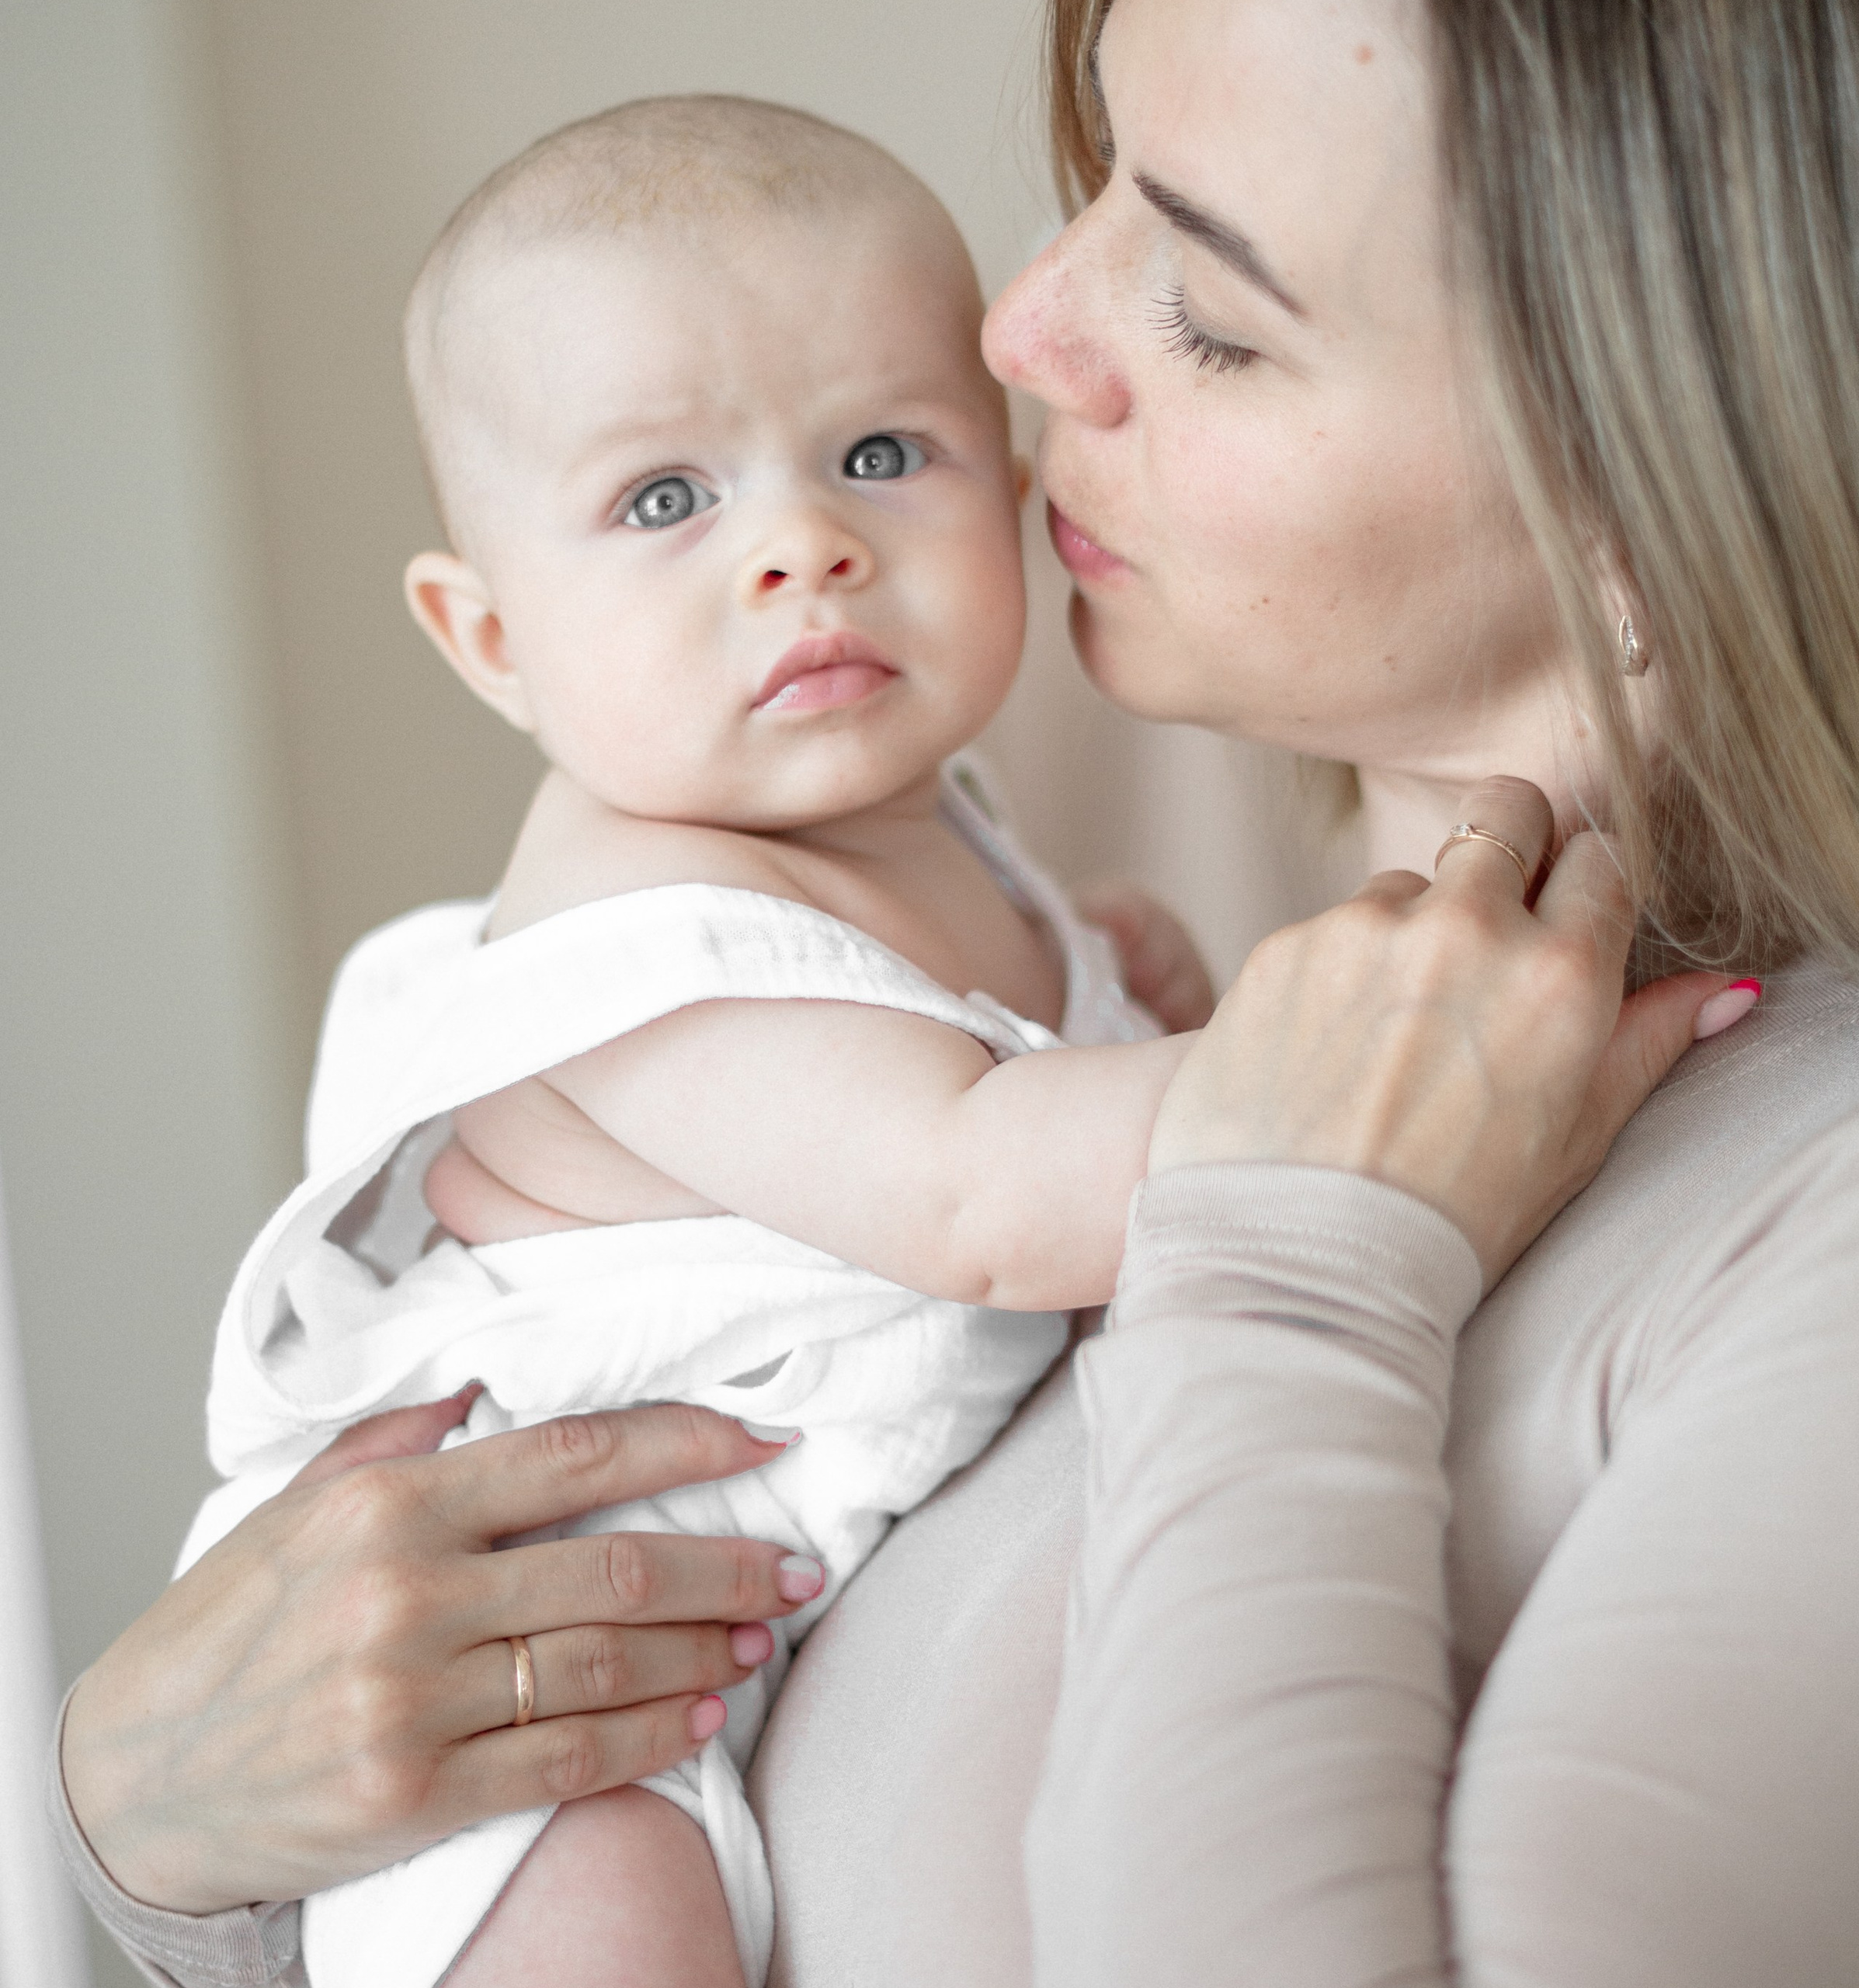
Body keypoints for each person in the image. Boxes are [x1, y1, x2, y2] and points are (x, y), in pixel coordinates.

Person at [51, 0, 1859, 1982]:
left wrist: (1302, 1252)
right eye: (1091, 187)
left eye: (1209, 308)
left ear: (1649, 516)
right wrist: (157, 1832)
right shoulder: (1166, 984)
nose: (1020, 328)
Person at [170, 92, 1225, 1988]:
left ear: (1006, 483)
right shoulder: (626, 924)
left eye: (880, 450)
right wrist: (1342, 1040)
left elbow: (994, 1070)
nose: (801, 546)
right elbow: (978, 1186)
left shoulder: (942, 828)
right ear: (490, 637)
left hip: (769, 1569)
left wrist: (1105, 982)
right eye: (667, 498)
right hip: (546, 1654)